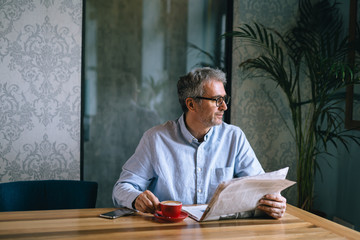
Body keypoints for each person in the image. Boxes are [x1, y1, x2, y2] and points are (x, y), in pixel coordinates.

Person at [112, 67, 287, 219]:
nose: (224, 107)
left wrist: (274, 203)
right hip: (169, 233)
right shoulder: (155, 139)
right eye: (217, 100)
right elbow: (122, 188)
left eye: (224, 99)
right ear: (191, 104)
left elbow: (261, 188)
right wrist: (136, 199)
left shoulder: (235, 137)